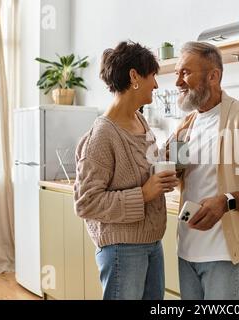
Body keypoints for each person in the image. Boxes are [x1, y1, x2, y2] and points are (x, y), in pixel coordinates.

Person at [167, 41, 239, 300]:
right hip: (187, 250)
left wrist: (227, 202)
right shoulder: (185, 126)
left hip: (225, 255)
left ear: (213, 76)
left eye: (185, 72)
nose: (177, 82)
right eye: (177, 73)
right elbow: (176, 178)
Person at [74, 41, 178, 300]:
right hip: (122, 249)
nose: (155, 84)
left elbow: (144, 166)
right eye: (152, 76)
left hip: (152, 243)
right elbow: (86, 203)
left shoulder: (140, 120)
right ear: (134, 76)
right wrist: (143, 194)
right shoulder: (103, 135)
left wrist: (175, 147)